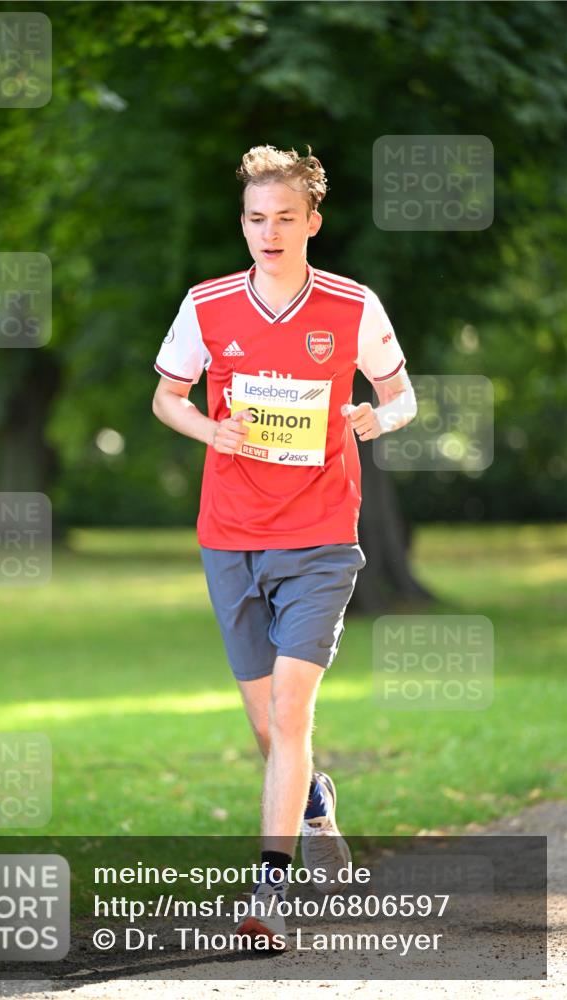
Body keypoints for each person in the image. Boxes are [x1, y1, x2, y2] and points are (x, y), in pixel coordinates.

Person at [152, 144, 417, 949]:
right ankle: (314, 802)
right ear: (243, 224)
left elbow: (400, 394)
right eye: (256, 219)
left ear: (311, 222)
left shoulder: (351, 306)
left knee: (291, 710)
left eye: (284, 219)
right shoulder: (205, 306)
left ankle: (269, 894)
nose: (269, 233)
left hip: (320, 538)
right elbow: (167, 397)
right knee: (268, 728)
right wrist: (211, 425)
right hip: (229, 535)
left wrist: (376, 418)